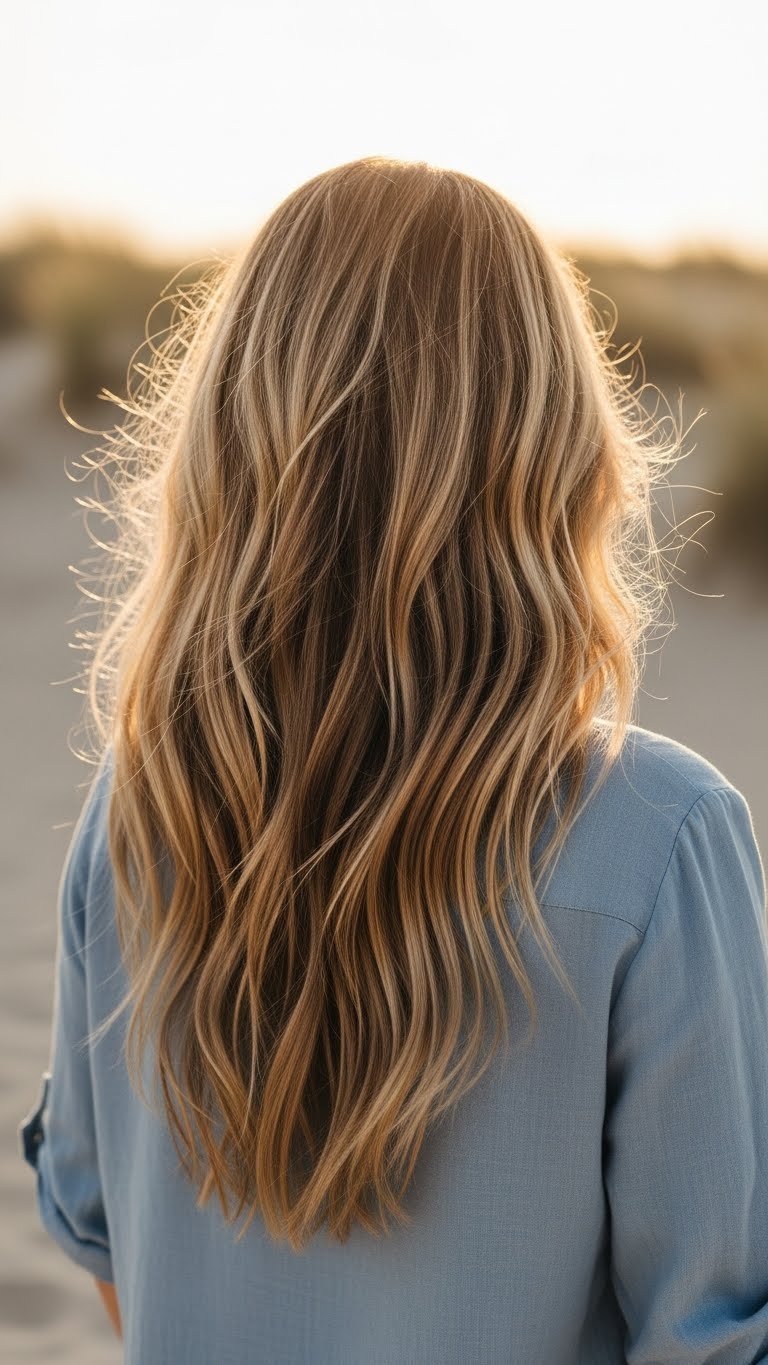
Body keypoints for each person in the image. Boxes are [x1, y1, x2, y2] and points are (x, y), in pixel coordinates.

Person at [19, 156, 768, 1364]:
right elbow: (714, 1338)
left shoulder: (137, 809)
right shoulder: (658, 839)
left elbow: (99, 1236)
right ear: (555, 451)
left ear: (229, 447)